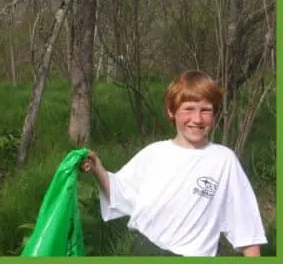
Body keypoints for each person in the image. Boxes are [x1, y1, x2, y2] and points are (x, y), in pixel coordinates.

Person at [80, 71, 266, 256]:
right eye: (188, 109)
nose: (197, 119)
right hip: (145, 250)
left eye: (206, 110)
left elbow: (247, 229)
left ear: (215, 113)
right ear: (172, 111)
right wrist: (97, 168)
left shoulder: (224, 161)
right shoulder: (155, 153)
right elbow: (119, 193)